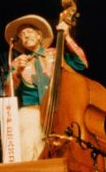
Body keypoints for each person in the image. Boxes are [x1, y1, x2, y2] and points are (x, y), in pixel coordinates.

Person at [5, 12, 89, 159]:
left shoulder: (55, 54)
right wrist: (16, 73)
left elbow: (81, 64)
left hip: (58, 113)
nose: (25, 36)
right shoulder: (18, 62)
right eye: (22, 34)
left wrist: (67, 36)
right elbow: (8, 95)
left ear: (39, 36)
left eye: (29, 31)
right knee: (32, 152)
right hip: (31, 116)